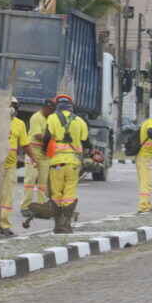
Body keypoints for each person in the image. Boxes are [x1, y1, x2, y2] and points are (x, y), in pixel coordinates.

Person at [43, 94, 91, 233]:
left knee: (56, 193)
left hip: (56, 162)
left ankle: (58, 225)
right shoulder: (80, 121)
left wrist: (45, 153)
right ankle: (66, 224)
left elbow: (46, 138)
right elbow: (86, 141)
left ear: (58, 106)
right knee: (69, 193)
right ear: (71, 107)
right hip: (73, 163)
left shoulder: (52, 118)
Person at [0, 97, 36, 237]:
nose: (11, 108)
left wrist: (34, 158)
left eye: (14, 106)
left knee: (7, 197)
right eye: (9, 105)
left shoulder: (19, 124)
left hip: (9, 166)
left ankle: (4, 225)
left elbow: (25, 144)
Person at [21, 98, 56, 218]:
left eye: (52, 110)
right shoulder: (36, 117)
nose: (51, 112)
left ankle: (41, 207)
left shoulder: (50, 119)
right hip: (34, 152)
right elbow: (38, 135)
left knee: (42, 182)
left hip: (45, 154)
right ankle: (25, 206)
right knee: (30, 180)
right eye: (49, 110)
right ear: (45, 108)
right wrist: (52, 138)